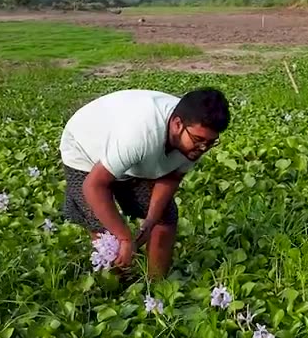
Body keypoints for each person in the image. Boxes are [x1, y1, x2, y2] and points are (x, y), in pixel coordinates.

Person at [59, 87, 230, 280]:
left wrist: (150, 221)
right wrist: (124, 237)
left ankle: (156, 285)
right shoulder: (140, 135)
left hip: (127, 152)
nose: (203, 148)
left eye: (210, 142)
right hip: (84, 148)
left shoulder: (195, 141)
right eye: (199, 140)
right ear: (177, 124)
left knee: (165, 216)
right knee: (107, 232)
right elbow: (94, 186)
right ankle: (115, 286)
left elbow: (171, 177)